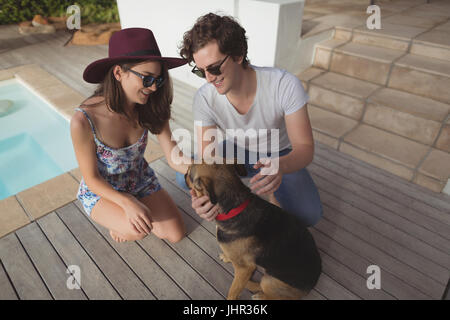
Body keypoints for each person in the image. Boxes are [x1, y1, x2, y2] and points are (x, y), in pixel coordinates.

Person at [176, 13, 323, 227]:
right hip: (237, 150)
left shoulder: (284, 84)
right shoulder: (205, 98)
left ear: (238, 55)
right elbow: (208, 158)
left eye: (215, 68)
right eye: (201, 71)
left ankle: (273, 190)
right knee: (185, 178)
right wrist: (201, 198)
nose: (209, 78)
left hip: (280, 153)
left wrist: (281, 166)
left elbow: (305, 147)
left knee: (308, 215)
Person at [71, 28, 192, 243]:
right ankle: (118, 216)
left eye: (158, 79)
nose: (154, 87)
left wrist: (207, 170)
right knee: (137, 229)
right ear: (118, 73)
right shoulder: (83, 121)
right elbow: (91, 178)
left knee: (175, 234)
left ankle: (132, 209)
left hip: (139, 178)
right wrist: (127, 202)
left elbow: (174, 156)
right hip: (103, 189)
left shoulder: (151, 106)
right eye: (146, 79)